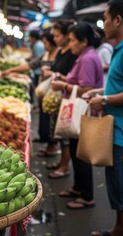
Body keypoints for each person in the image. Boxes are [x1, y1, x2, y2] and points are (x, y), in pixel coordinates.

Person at [84, 0, 123, 235]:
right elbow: (122, 85)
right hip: (118, 132)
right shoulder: (122, 47)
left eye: (105, 19)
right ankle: (117, 231)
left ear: (118, 19)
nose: (103, 24)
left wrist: (104, 100)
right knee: (117, 187)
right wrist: (101, 91)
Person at [51, 22, 103, 209]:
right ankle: (78, 188)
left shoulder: (87, 58)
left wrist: (63, 86)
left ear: (84, 41)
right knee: (75, 152)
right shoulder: (85, 56)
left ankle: (87, 196)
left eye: (72, 41)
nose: (70, 44)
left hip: (82, 112)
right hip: (80, 111)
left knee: (81, 156)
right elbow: (79, 81)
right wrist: (65, 79)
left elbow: (87, 88)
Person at [2, 32, 59, 154]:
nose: (44, 45)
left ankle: (53, 146)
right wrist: (11, 70)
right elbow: (30, 65)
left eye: (46, 43)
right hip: (43, 91)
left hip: (55, 93)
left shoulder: (61, 55)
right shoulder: (45, 55)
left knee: (53, 120)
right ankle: (46, 142)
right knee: (44, 118)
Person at [40, 20, 78, 173]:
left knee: (65, 134)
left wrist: (56, 75)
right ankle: (62, 163)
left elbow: (72, 77)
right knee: (59, 132)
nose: (54, 39)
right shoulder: (62, 51)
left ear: (66, 36)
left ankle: (64, 166)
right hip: (58, 97)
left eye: (57, 36)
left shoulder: (72, 53)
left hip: (67, 98)